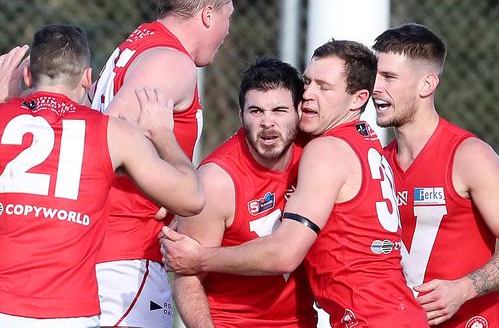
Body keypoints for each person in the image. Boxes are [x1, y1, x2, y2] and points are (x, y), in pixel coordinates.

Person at [0, 24, 204, 328]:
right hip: (67, 314)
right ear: (88, 78)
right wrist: (165, 135)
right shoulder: (112, 134)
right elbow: (192, 198)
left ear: (27, 76)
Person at [161, 40, 429, 328]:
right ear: (242, 116)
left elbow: (285, 254)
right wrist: (179, 201)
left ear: (357, 99)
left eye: (324, 87)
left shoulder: (324, 149)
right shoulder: (364, 141)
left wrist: (199, 257)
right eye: (308, 82)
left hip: (368, 318)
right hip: (396, 312)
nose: (309, 95)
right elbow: (187, 279)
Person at [89, 0, 238, 327]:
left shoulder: (138, 44)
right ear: (207, 15)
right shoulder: (172, 62)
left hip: (107, 249)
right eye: (227, 17)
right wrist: (166, 187)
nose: (228, 30)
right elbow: (110, 141)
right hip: (125, 257)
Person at [371, 23, 499, 327]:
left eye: (389, 77)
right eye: (375, 76)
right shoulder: (377, 163)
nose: (375, 88)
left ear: (427, 84)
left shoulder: (469, 155)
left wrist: (462, 290)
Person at [173, 58, 317, 328]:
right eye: (256, 111)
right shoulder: (216, 181)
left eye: (279, 110)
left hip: (302, 321)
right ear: (241, 115)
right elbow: (187, 276)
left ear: (299, 111)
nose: (267, 122)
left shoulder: (317, 155)